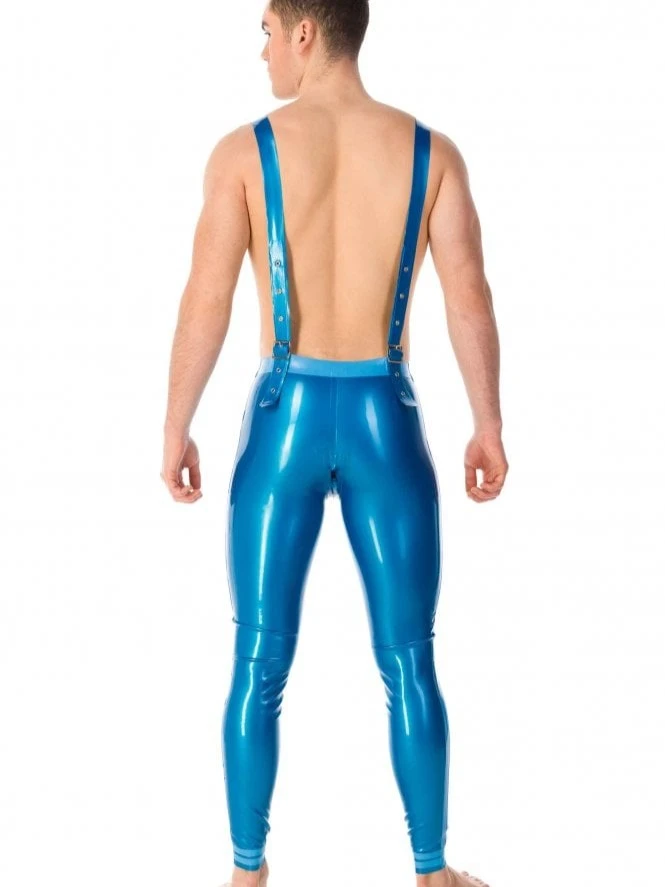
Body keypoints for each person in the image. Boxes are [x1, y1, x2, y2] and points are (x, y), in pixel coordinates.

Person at [161, 2, 508, 885]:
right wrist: (487, 422)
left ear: (306, 32)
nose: (263, 51)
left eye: (267, 31)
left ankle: (247, 873)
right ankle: (431, 871)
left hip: (285, 418)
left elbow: (207, 298)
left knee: (258, 658)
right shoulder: (430, 153)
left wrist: (176, 425)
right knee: (409, 658)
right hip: (384, 419)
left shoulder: (244, 154)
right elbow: (468, 293)